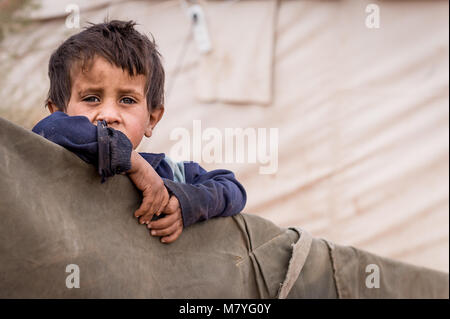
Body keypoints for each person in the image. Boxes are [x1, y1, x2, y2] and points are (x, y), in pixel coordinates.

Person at [31, 20, 247, 244]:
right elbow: (52, 128)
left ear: (151, 119)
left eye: (127, 100)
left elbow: (232, 189)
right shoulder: (55, 153)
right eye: (91, 98)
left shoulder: (170, 173)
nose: (108, 114)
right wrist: (131, 161)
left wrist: (186, 202)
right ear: (57, 110)